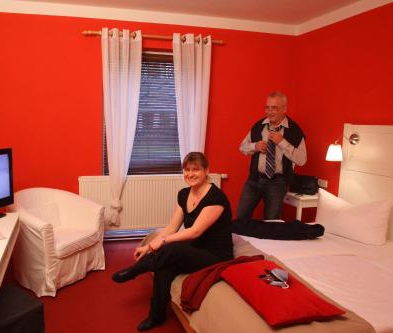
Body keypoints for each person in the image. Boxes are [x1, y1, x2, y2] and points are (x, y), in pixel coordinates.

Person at [111, 152, 233, 331]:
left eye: (196, 170)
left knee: (173, 248)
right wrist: (146, 247)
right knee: (164, 265)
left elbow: (194, 231)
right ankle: (157, 315)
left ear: (206, 171)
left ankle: (136, 269)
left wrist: (163, 242)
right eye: (187, 170)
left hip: (215, 255)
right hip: (196, 250)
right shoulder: (183, 194)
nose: (190, 174)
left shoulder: (216, 197)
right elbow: (171, 228)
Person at [237, 91, 307, 220]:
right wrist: (255, 146)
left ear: (284, 109)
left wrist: (282, 142)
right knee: (241, 217)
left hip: (277, 183)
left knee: (272, 222)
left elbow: (302, 160)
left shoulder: (295, 131)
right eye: (267, 107)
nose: (270, 111)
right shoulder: (258, 126)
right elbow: (242, 147)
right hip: (254, 179)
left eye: (274, 108)